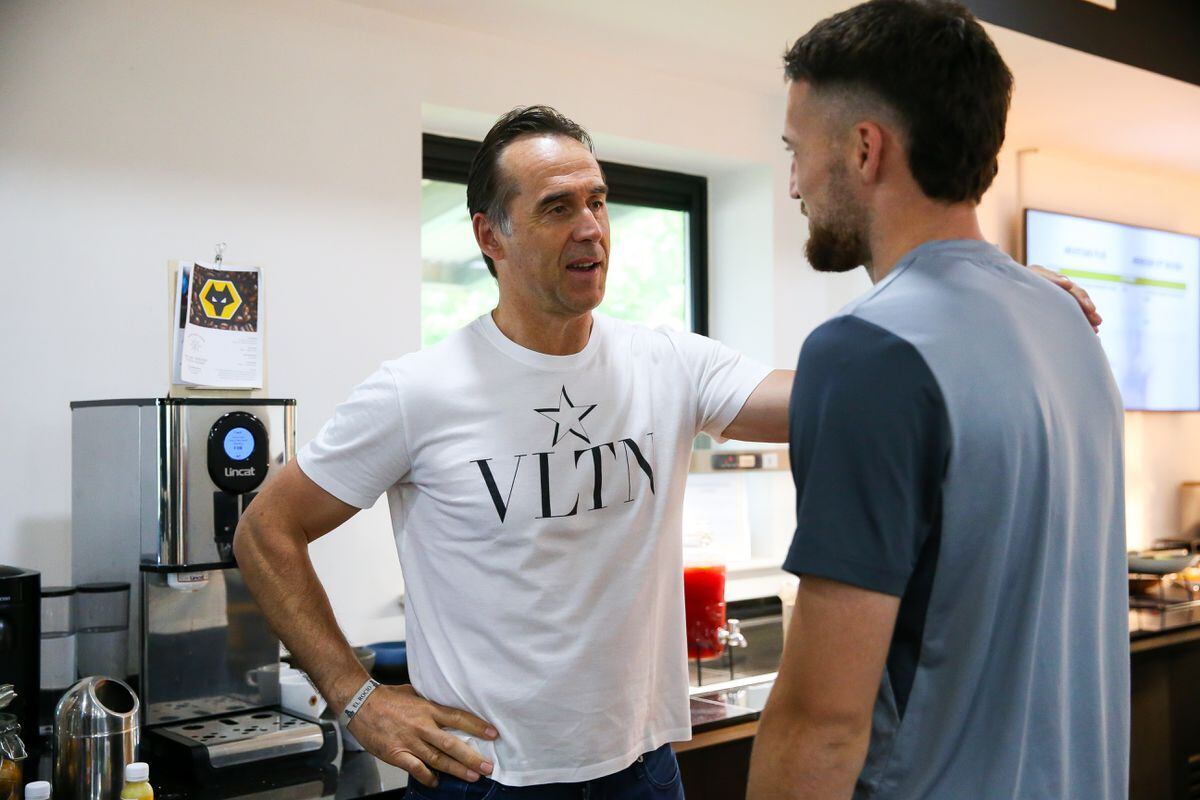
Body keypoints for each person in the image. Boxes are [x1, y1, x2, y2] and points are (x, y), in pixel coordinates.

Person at [233, 104, 1101, 797]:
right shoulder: (417, 390)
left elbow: (840, 399)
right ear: (489, 237)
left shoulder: (667, 361)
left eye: (600, 200)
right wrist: (358, 699)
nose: (592, 227)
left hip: (642, 772)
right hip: (487, 778)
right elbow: (265, 531)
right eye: (558, 207)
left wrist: (986, 304)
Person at [745, 3, 1127, 799]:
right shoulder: (1069, 321)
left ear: (862, 148)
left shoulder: (866, 354)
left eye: (796, 151)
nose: (792, 184)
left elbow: (824, 722)